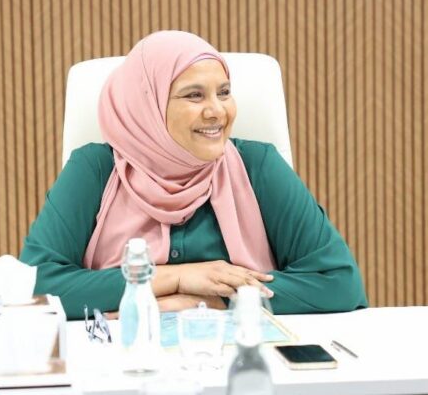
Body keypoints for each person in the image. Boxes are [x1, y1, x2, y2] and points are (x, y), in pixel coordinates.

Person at [20, 30, 367, 319]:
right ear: (148, 104)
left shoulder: (258, 165)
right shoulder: (94, 170)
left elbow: (338, 283)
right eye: (194, 95)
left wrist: (211, 301)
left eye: (224, 92)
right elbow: (36, 286)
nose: (217, 111)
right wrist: (176, 279)